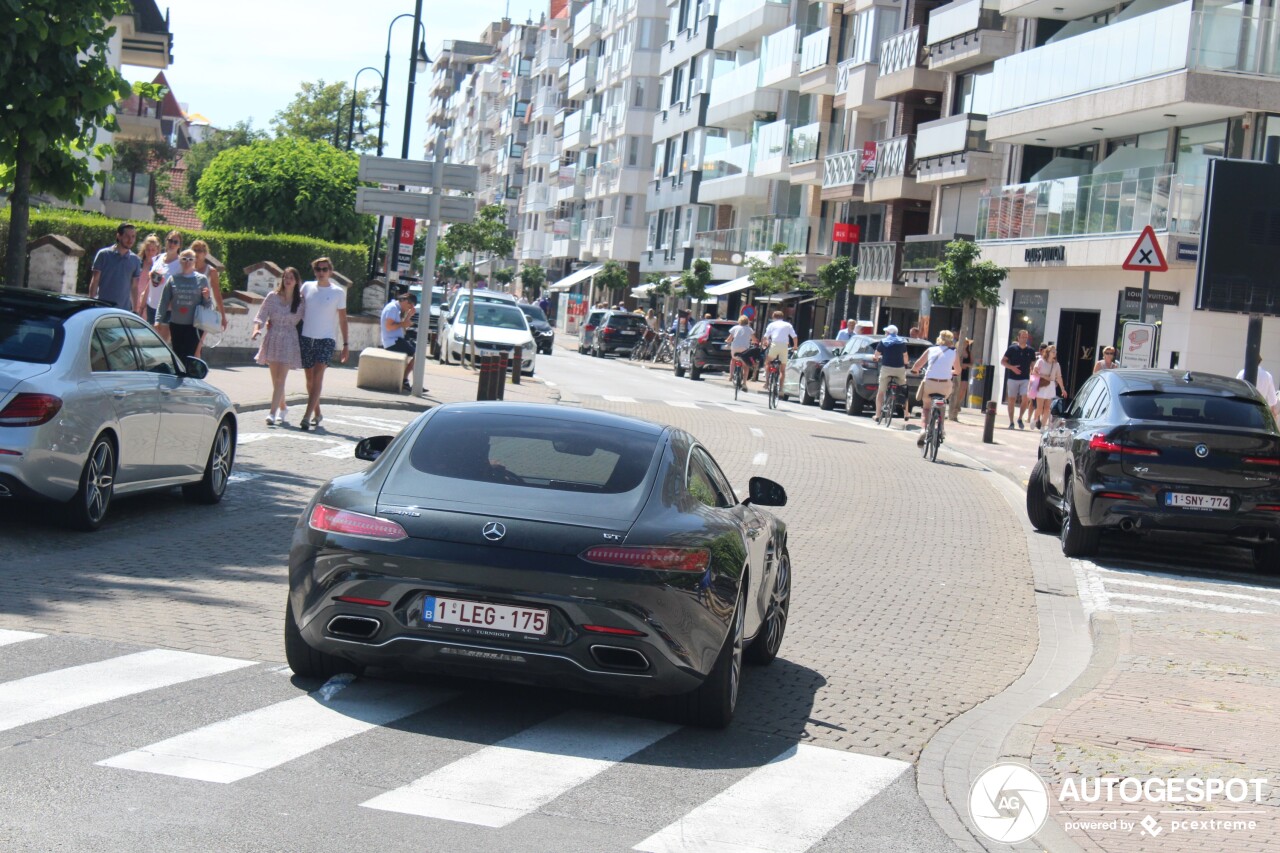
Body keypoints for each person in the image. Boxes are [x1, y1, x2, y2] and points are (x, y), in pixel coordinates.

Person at [298, 257, 349, 431]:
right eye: (318, 269)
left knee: (318, 374)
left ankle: (306, 416)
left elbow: (343, 320)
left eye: (324, 269)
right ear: (314, 271)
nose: (321, 272)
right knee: (310, 380)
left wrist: (346, 344)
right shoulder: (306, 287)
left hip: (327, 339)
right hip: (307, 337)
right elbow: (297, 308)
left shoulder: (338, 292)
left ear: (330, 271)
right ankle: (317, 412)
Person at [251, 267, 306, 427]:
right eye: (285, 277)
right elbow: (261, 315)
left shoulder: (301, 301)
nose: (288, 280)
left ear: (296, 281)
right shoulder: (272, 297)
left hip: (289, 339)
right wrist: (256, 330)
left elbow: (309, 319)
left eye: (291, 278)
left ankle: (272, 413)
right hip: (273, 337)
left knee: (281, 378)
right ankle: (283, 407)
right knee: (276, 380)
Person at [155, 250, 212, 361]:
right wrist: (158, 320)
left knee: (189, 356)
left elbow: (207, 306)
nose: (187, 262)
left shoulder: (202, 279)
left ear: (195, 261)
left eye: (190, 259)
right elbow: (164, 301)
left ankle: (189, 377)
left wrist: (207, 298)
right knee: (178, 355)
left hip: (194, 325)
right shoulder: (173, 279)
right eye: (184, 259)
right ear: (180, 261)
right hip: (177, 324)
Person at [912, 330, 959, 445]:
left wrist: (915, 371)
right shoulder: (954, 352)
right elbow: (958, 370)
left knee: (926, 408)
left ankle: (923, 429)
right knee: (942, 404)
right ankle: (941, 429)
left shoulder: (931, 350)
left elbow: (917, 365)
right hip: (945, 385)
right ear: (951, 341)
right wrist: (951, 371)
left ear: (939, 339)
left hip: (930, 384)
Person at [88, 222, 143, 311]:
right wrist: (91, 303)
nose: (130, 240)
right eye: (127, 236)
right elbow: (95, 280)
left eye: (133, 236)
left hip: (123, 311)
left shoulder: (135, 260)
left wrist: (135, 310)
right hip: (102, 307)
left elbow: (134, 287)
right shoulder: (104, 255)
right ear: (119, 236)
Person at [189, 240, 227, 358]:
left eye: (200, 250)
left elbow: (217, 294)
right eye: (194, 250)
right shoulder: (188, 268)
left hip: (204, 312)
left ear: (205, 253)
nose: (196, 253)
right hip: (188, 309)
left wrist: (223, 317)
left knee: (197, 346)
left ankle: (195, 370)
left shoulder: (211, 271)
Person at [381, 291, 421, 392]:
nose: (407, 309)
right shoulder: (392, 309)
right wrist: (404, 324)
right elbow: (389, 326)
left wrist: (408, 316)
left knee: (416, 351)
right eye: (409, 307)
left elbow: (401, 326)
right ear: (406, 302)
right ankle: (405, 379)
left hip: (396, 340)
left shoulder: (395, 308)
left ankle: (412, 382)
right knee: (417, 354)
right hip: (392, 341)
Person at [872, 324, 909, 423]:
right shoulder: (902, 342)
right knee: (904, 390)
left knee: (881, 392)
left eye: (886, 332)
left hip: (886, 369)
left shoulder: (883, 342)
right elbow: (905, 356)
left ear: (888, 333)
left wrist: (876, 358)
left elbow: (876, 355)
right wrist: (905, 364)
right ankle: (906, 413)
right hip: (899, 369)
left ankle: (877, 415)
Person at [1001, 329, 1037, 429]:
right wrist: (1012, 367)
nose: (1025, 339)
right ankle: (1011, 422)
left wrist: (1034, 371)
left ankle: (1020, 418)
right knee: (1011, 399)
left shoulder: (1031, 350)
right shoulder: (1012, 349)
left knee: (1025, 398)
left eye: (1026, 337)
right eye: (1023, 337)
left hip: (1025, 378)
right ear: (1018, 338)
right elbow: (1003, 361)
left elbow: (1033, 364)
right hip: (1012, 378)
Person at [147, 231, 184, 328]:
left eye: (175, 242)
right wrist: (142, 305)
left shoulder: (181, 264)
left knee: (161, 340)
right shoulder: (158, 258)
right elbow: (150, 283)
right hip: (151, 306)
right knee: (149, 340)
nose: (172, 244)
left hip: (167, 309)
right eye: (170, 240)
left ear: (179, 245)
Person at [1033, 345, 1067, 429]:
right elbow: (1034, 372)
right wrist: (1042, 375)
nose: (1055, 353)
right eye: (1053, 351)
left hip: (1050, 385)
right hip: (1041, 385)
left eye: (1055, 352)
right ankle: (1034, 420)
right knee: (1040, 408)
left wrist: (1062, 389)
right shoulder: (1041, 361)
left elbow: (1059, 377)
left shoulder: (1056, 364)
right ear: (1048, 352)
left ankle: (1043, 426)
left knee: (1047, 408)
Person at [1237, 355, 1279, 419]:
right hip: (1259, 414)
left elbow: (1235, 391)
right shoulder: (1267, 376)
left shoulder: (1242, 373)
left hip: (1243, 411)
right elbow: (1272, 401)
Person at [761, 310, 798, 379]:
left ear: (774, 317)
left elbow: (766, 336)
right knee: (782, 370)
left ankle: (767, 383)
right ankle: (780, 388)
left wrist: (765, 343)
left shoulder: (771, 325)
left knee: (767, 362)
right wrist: (795, 346)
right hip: (784, 346)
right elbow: (794, 337)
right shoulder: (788, 325)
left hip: (774, 345)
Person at [133, 234, 162, 316]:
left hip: (148, 304)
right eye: (148, 249)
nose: (150, 252)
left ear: (157, 250)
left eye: (153, 250)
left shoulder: (159, 266)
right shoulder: (138, 263)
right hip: (134, 300)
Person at [726, 315, 756, 384]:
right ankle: (744, 382)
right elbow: (754, 339)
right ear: (747, 322)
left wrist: (727, 341)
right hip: (745, 349)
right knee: (745, 364)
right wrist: (754, 341)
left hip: (735, 347)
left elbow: (729, 339)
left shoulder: (735, 328)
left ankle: (730, 376)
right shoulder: (749, 329)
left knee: (733, 359)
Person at [950, 338, 974, 422]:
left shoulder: (969, 353)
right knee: (955, 387)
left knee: (963, 389)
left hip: (965, 371)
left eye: (967, 343)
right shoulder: (956, 351)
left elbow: (972, 364)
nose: (966, 344)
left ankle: (958, 403)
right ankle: (953, 404)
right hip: (956, 370)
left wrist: (966, 365)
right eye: (965, 342)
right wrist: (961, 365)